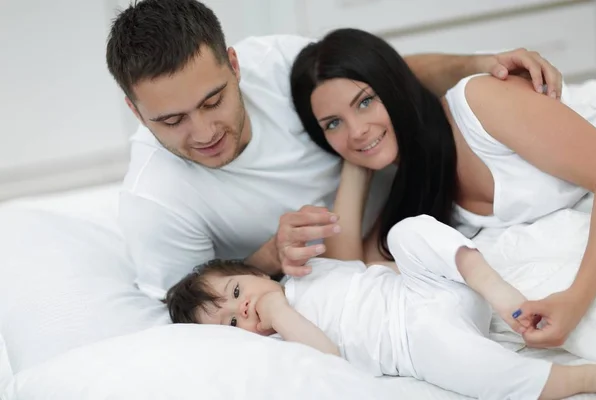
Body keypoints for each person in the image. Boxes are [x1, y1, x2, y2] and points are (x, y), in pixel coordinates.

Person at [106, 0, 564, 298]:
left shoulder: (276, 62)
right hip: (370, 251)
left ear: (234, 64)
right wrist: (267, 258)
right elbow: (193, 308)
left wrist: (481, 63)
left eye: (213, 101)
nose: (204, 131)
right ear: (133, 108)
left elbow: (380, 75)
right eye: (171, 120)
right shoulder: (155, 202)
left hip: (421, 188)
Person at [289, 28, 596, 349]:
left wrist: (575, 301)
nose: (355, 130)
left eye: (365, 101)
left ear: (394, 86)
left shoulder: (479, 102)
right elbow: (347, 275)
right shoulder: (419, 186)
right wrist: (355, 164)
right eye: (333, 123)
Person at [165, 216, 596, 400]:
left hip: (425, 290)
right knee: (469, 368)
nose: (245, 311)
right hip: (416, 340)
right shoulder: (282, 341)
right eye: (231, 323)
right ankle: (579, 378)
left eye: (238, 293)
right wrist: (278, 312)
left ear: (259, 272)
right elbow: (329, 360)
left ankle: (502, 295)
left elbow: (369, 270)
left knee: (406, 232)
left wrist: (421, 262)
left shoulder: (304, 270)